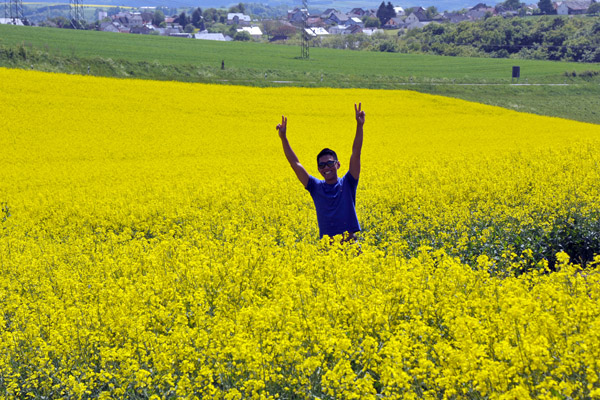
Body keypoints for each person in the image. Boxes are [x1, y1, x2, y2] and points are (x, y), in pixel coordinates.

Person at [276, 103, 365, 241]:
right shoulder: (315, 187)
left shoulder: (348, 183)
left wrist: (359, 126)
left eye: (330, 163)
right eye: (322, 165)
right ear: (318, 169)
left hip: (350, 245)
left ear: (338, 164)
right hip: (327, 250)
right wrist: (284, 139)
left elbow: (356, 153)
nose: (326, 168)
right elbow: (295, 164)